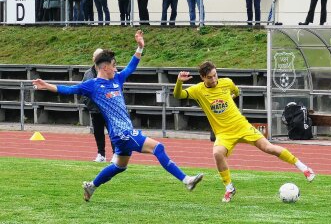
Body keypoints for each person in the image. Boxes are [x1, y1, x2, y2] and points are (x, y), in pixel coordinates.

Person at [32, 30, 203, 202]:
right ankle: (186, 180)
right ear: (105, 67)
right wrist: (46, 85)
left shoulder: (117, 79)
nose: (116, 68)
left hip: (120, 134)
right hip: (122, 133)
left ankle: (91, 186)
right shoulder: (91, 85)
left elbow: (131, 66)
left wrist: (140, 48)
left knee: (120, 166)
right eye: (114, 65)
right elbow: (68, 90)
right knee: (158, 148)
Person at [173, 61, 315, 203]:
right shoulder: (198, 90)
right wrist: (179, 81)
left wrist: (229, 98)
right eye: (210, 77)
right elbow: (178, 95)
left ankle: (304, 168)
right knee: (217, 153)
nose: (214, 79)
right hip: (223, 133)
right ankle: (229, 188)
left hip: (241, 126)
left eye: (215, 75)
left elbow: (236, 91)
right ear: (203, 77)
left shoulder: (226, 82)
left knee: (269, 148)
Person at [82, 48, 115, 163]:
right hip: (95, 109)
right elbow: (83, 90)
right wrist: (88, 104)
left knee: (113, 132)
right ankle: (101, 154)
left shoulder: (109, 71)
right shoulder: (88, 73)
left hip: (108, 110)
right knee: (98, 133)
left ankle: (116, 154)